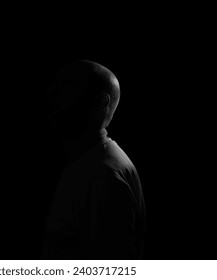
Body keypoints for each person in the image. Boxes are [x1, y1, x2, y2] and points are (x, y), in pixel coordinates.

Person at [41, 60, 146, 259]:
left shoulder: (102, 176)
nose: (50, 93)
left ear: (100, 102)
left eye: (67, 86)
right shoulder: (90, 165)